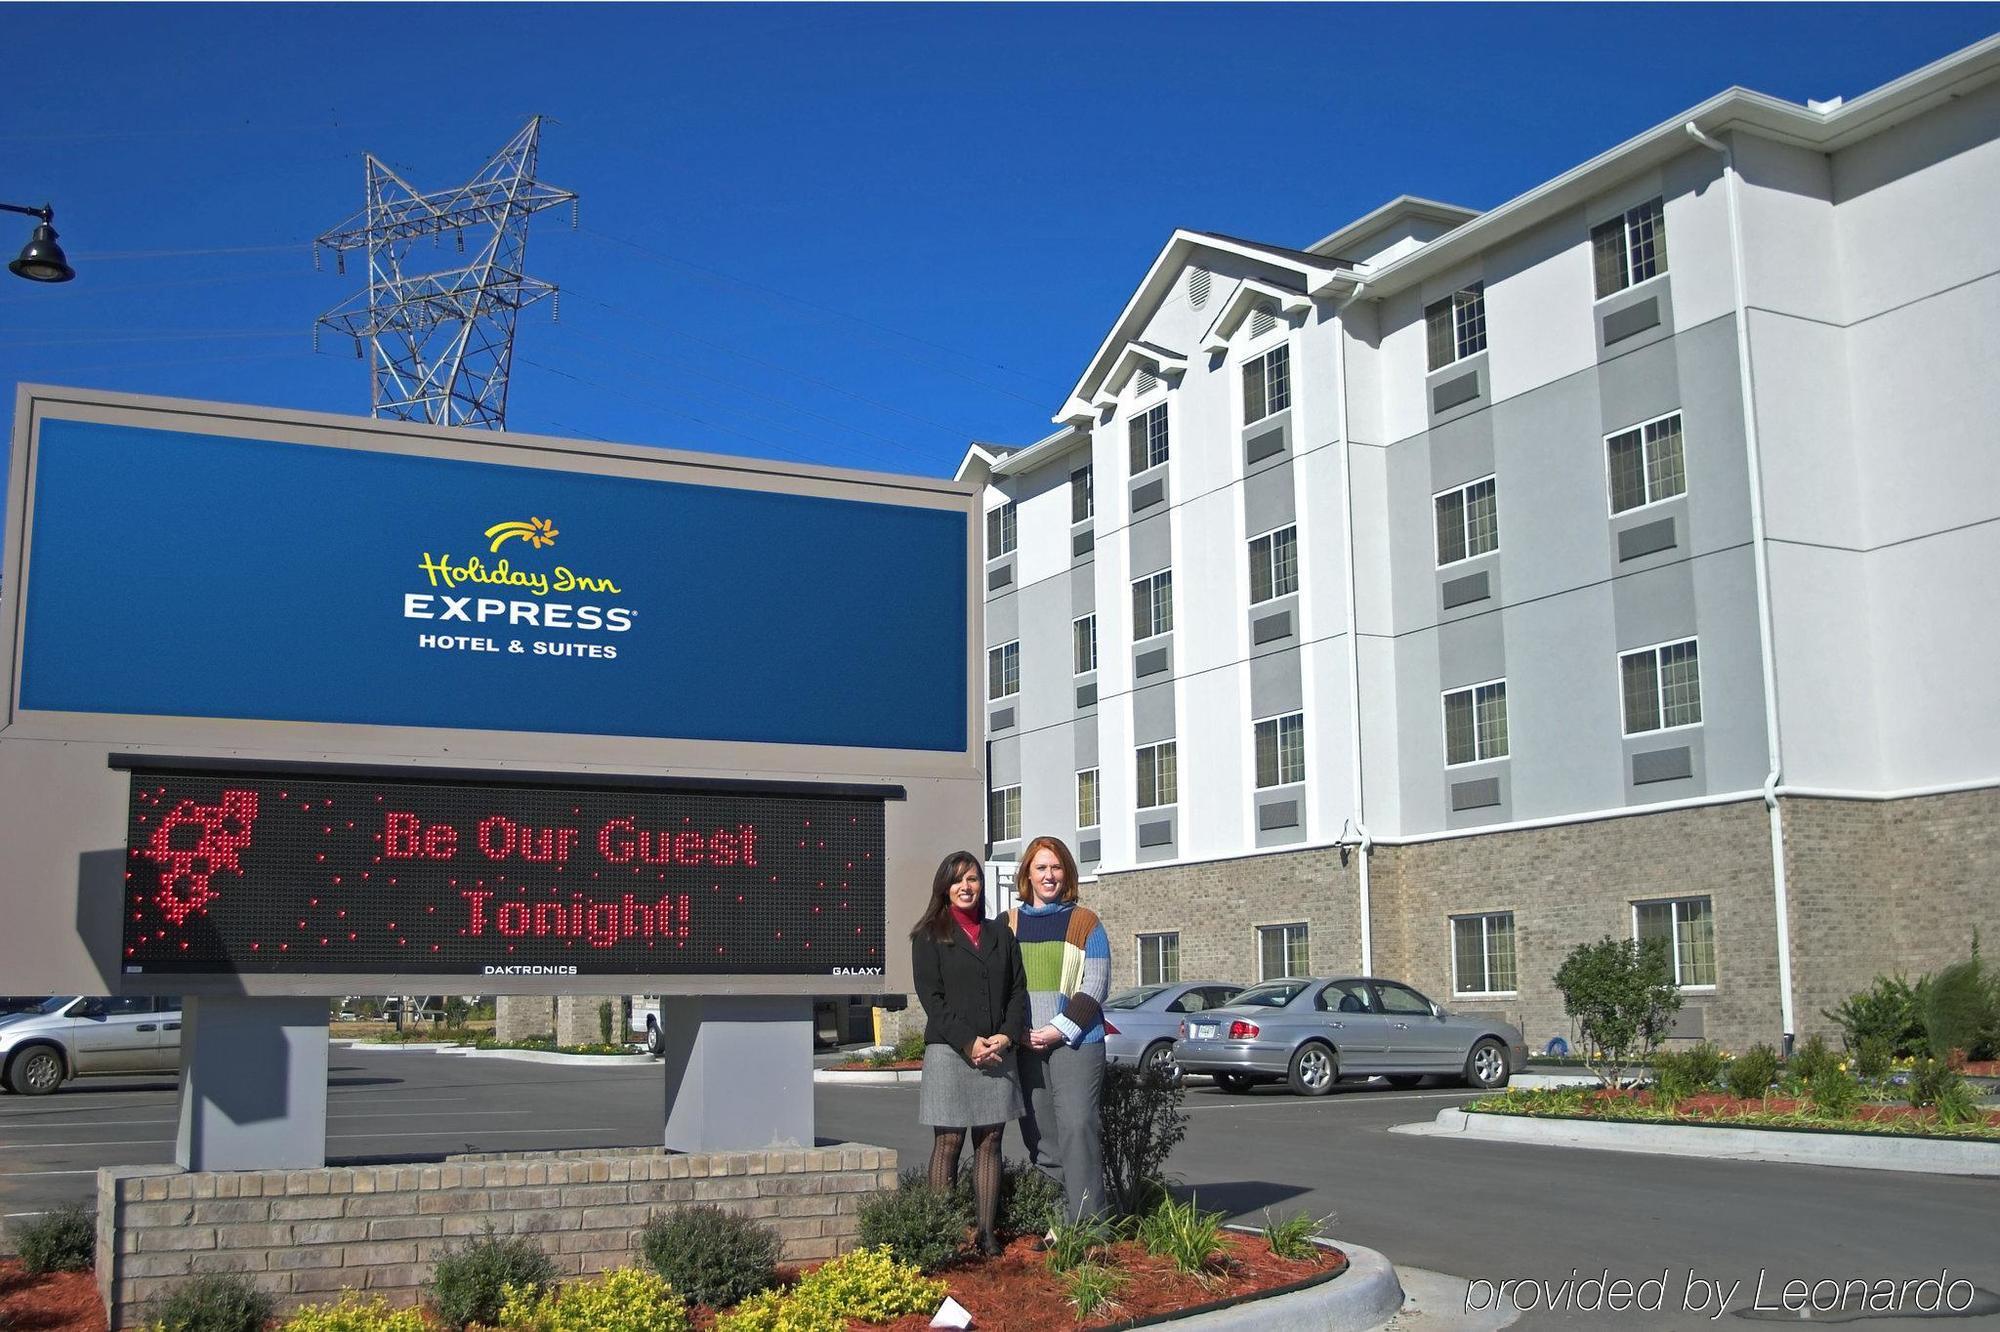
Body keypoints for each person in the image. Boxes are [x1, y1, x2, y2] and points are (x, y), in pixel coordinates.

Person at [909, 850, 1027, 1257]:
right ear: (945, 886)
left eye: (973, 879)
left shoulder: (1001, 934)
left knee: (991, 1141)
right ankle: (939, 1234)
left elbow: (1017, 992)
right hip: (949, 1051)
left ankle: (986, 1234)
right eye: (958, 879)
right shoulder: (928, 936)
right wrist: (968, 1042)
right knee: (949, 1142)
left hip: (997, 1052)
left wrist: (1007, 1036)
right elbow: (932, 999)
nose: (966, 886)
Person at [1009, 835, 1111, 1224]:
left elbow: (1095, 986)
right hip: (1024, 1043)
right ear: (1028, 875)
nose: (1049, 875)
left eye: (1055, 867)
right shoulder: (1010, 923)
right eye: (1040, 868)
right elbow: (1002, 984)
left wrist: (1057, 1029)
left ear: (1066, 872)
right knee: (1042, 1140)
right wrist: (1018, 1030)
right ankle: (1059, 1224)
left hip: (1077, 1042)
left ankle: (1090, 1228)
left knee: (1077, 1125)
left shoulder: (1085, 922)